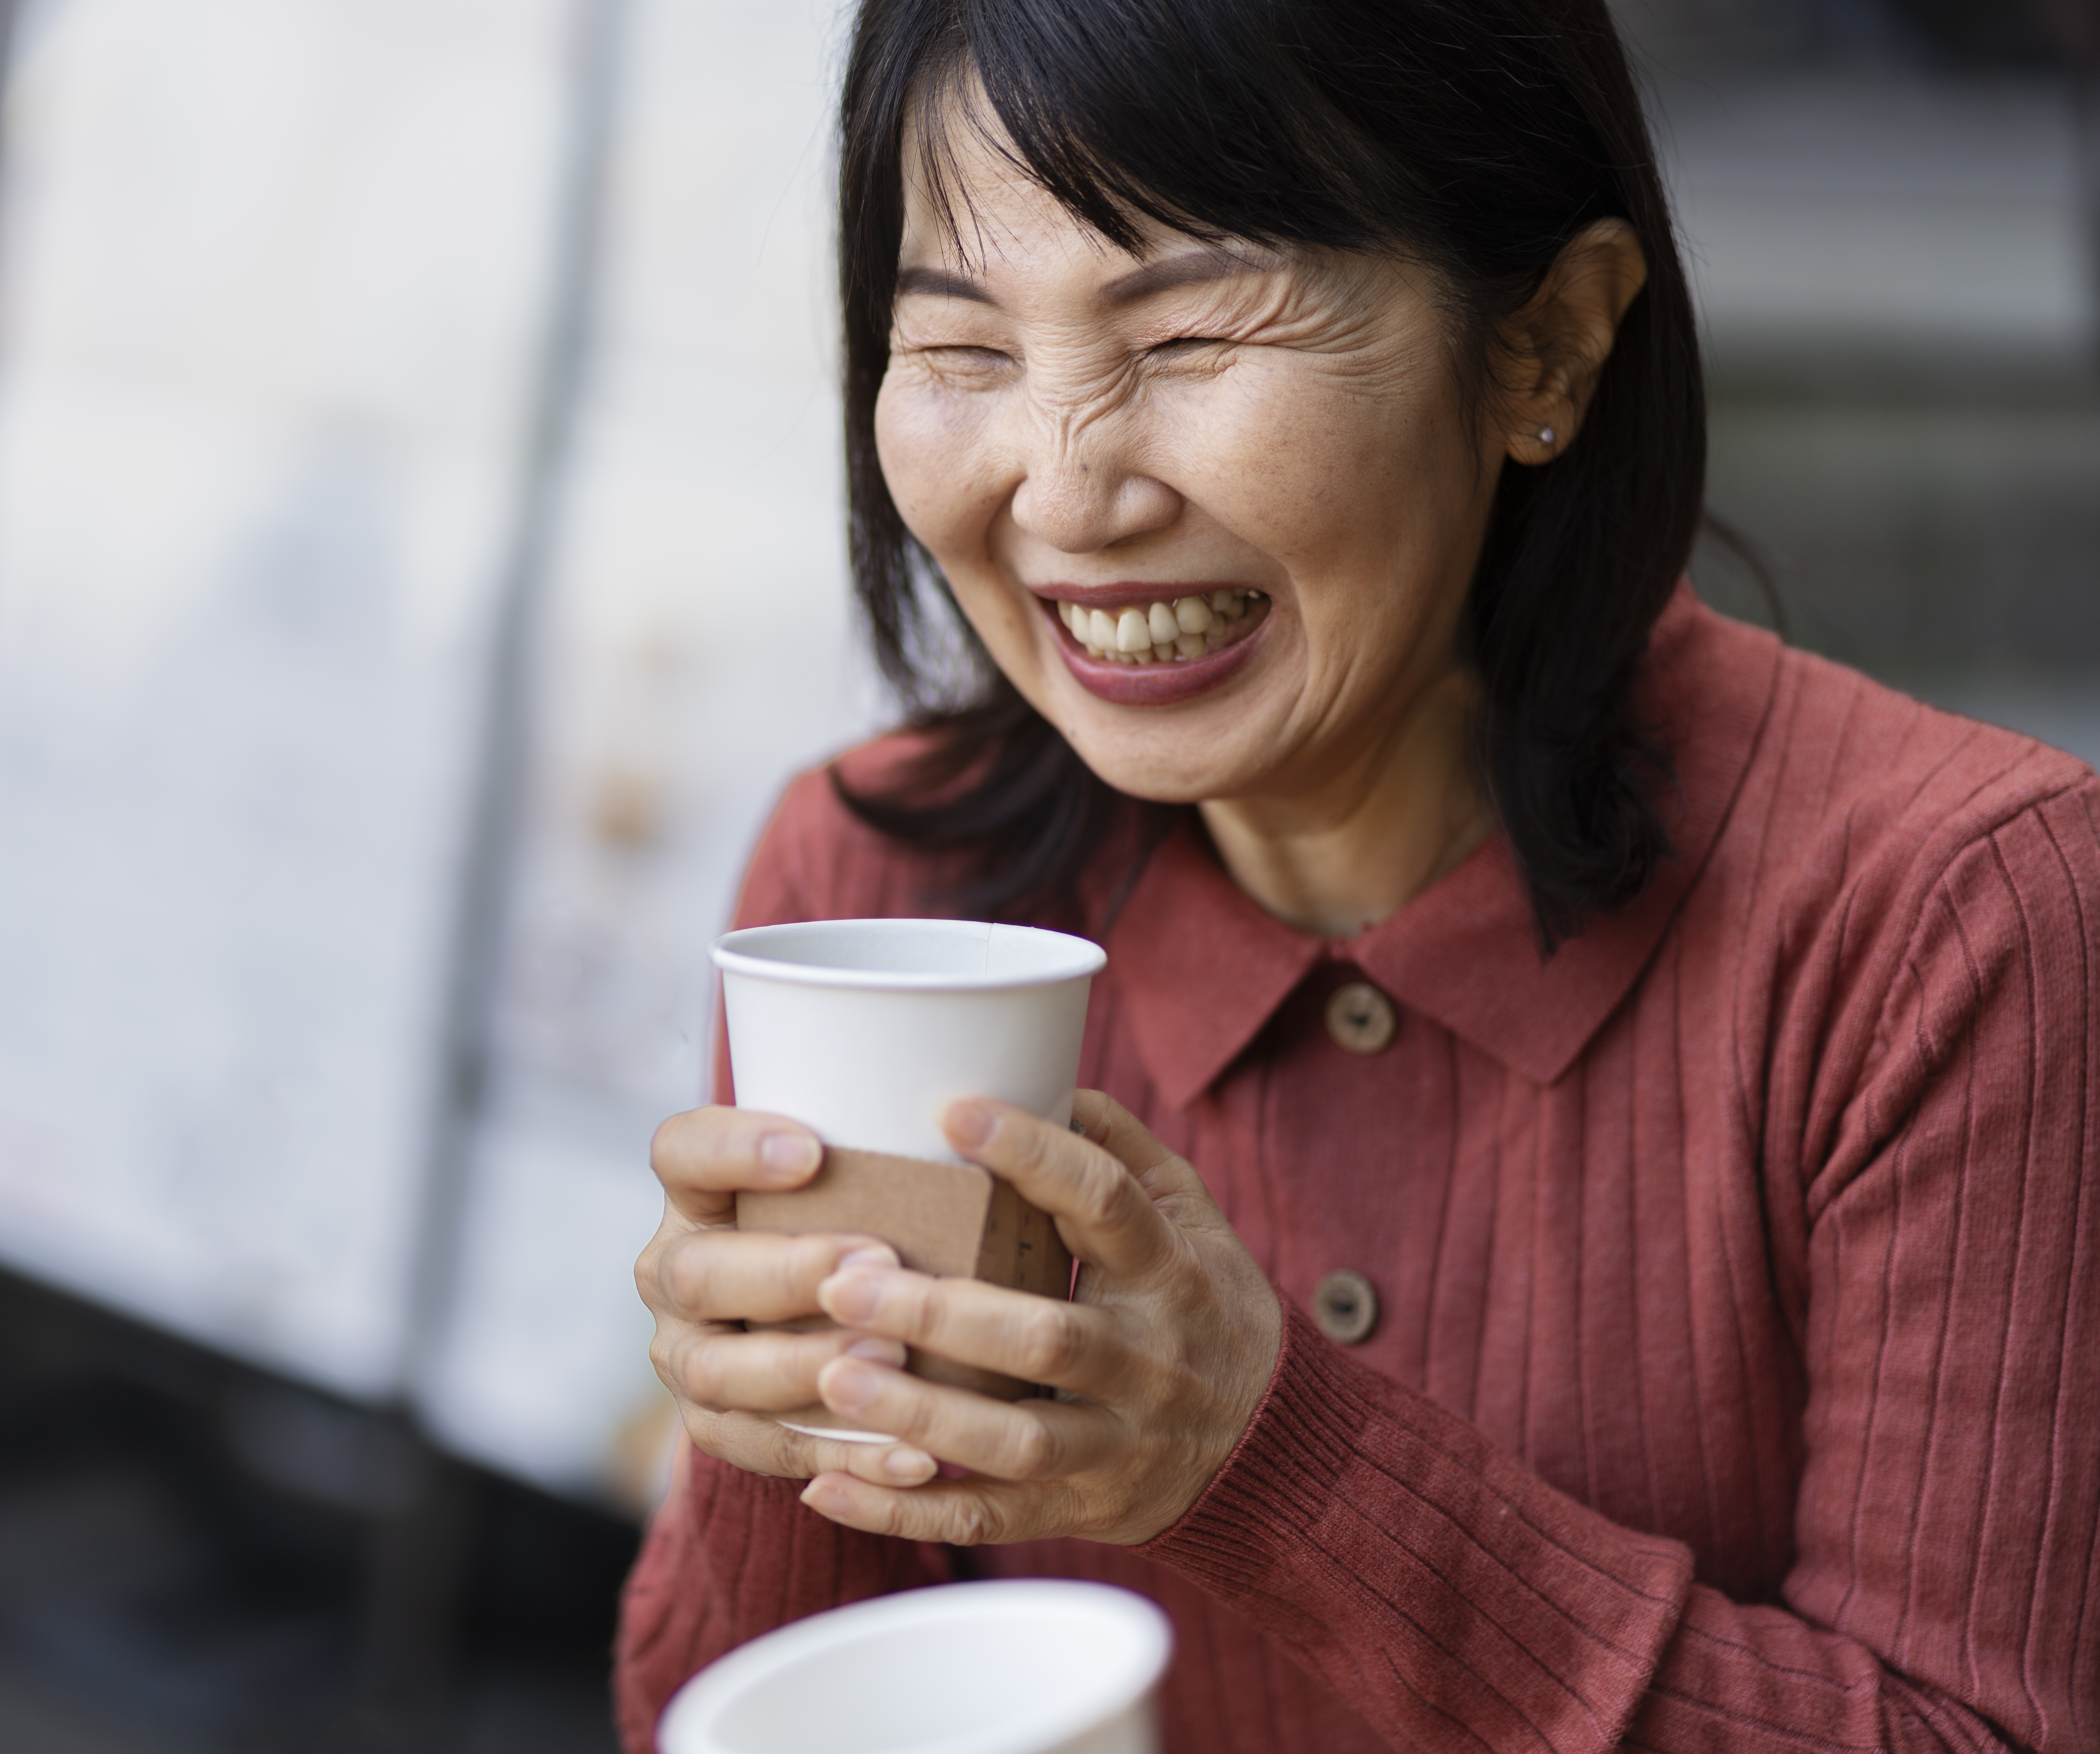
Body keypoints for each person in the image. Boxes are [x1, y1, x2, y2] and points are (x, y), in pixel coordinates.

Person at [615, 0, 2100, 1748]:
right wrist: (769, 1420)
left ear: (1545, 344)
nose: (1069, 496)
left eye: (1190, 336)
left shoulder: (1954, 925)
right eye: (959, 348)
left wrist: (1273, 1463)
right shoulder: (881, 894)